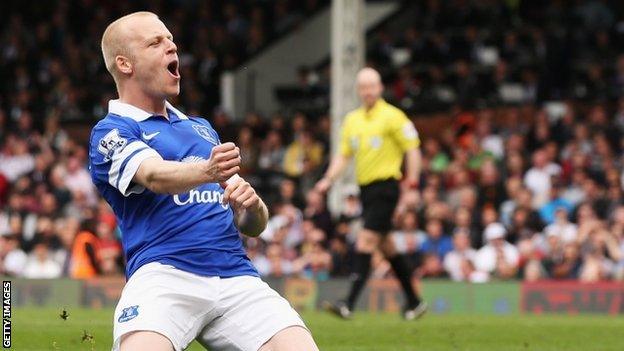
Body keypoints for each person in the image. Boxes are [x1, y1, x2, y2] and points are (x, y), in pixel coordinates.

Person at [89, 12, 318, 351]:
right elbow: (153, 175)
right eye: (156, 42)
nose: (172, 46)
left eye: (170, 39)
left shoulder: (201, 128)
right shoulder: (111, 132)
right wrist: (207, 172)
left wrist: (252, 206)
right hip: (165, 276)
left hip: (236, 275)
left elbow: (253, 226)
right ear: (125, 64)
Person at [314, 67, 427, 320]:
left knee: (365, 241)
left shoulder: (393, 116)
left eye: (372, 86)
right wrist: (328, 179)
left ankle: (348, 303)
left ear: (380, 87)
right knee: (387, 247)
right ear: (358, 90)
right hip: (366, 190)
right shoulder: (352, 120)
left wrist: (412, 185)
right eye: (363, 87)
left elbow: (413, 149)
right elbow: (343, 155)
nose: (367, 91)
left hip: (387, 187)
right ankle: (414, 301)